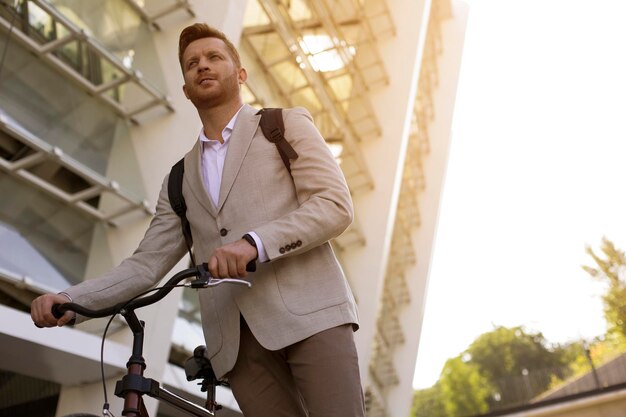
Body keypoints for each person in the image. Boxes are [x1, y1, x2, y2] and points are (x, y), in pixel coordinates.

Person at [31, 23, 365, 417]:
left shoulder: (283, 125)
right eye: (192, 64)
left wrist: (253, 243)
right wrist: (74, 300)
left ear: (240, 74)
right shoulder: (178, 178)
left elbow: (334, 205)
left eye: (214, 57)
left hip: (311, 316)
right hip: (237, 347)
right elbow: (145, 265)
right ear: (186, 88)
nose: (202, 66)